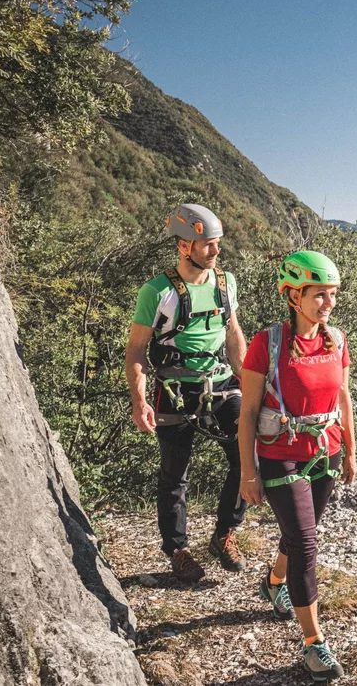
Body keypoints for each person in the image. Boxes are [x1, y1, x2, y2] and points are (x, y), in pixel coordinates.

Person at [238, 250, 356, 683]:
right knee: (306, 544)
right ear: (293, 295)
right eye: (319, 295)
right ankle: (313, 645)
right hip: (280, 453)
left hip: (325, 452)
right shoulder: (265, 344)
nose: (327, 303)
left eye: (332, 295)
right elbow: (248, 413)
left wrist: (351, 452)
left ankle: (273, 581)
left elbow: (342, 398)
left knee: (299, 535)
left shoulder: (337, 340)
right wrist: (248, 473)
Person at [126, 203, 250, 583]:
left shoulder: (226, 283)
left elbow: (232, 334)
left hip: (221, 381)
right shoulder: (157, 291)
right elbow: (136, 349)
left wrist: (248, 380)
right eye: (207, 245)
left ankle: (224, 534)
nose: (215, 251)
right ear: (183, 245)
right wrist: (140, 400)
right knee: (174, 473)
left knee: (248, 456)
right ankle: (177, 549)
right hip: (174, 386)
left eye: (216, 244)